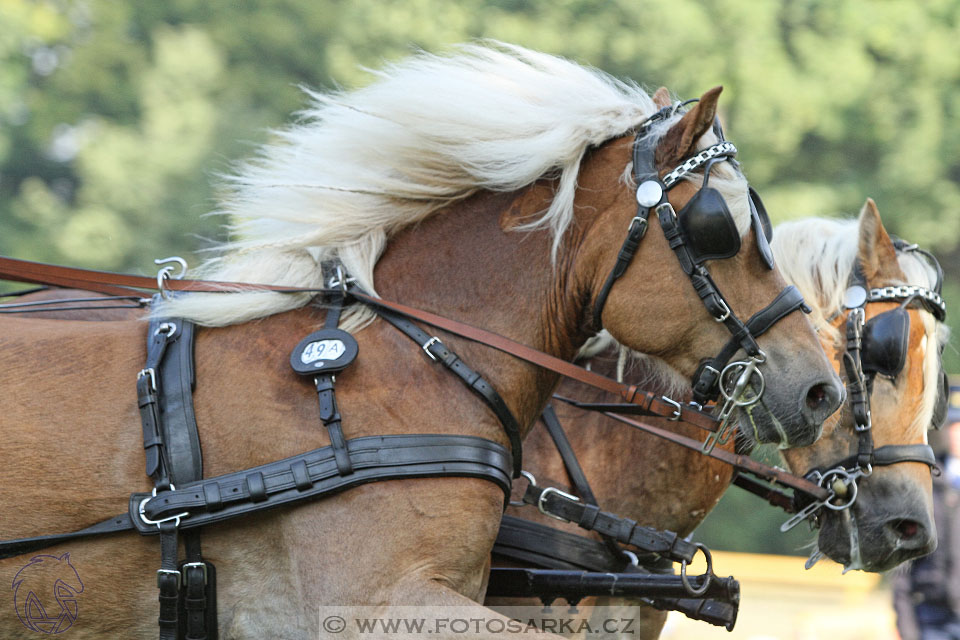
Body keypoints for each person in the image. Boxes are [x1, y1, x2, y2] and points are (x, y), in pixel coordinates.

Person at [894, 384, 960, 640]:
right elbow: (901, 573)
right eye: (954, 426)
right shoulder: (923, 488)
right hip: (931, 620)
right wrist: (908, 630)